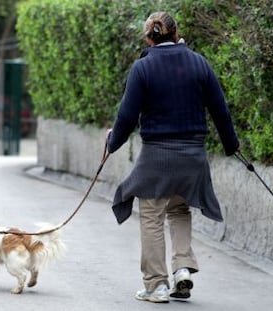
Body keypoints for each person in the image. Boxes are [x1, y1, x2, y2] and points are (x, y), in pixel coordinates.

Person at [106, 11, 240, 303]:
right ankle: (182, 269)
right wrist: (232, 146)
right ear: (177, 32)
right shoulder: (199, 63)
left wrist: (111, 143)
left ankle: (156, 285)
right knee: (179, 210)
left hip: (157, 157)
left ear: (148, 37)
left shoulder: (143, 68)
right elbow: (220, 111)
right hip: (193, 157)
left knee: (152, 215)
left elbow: (127, 117)